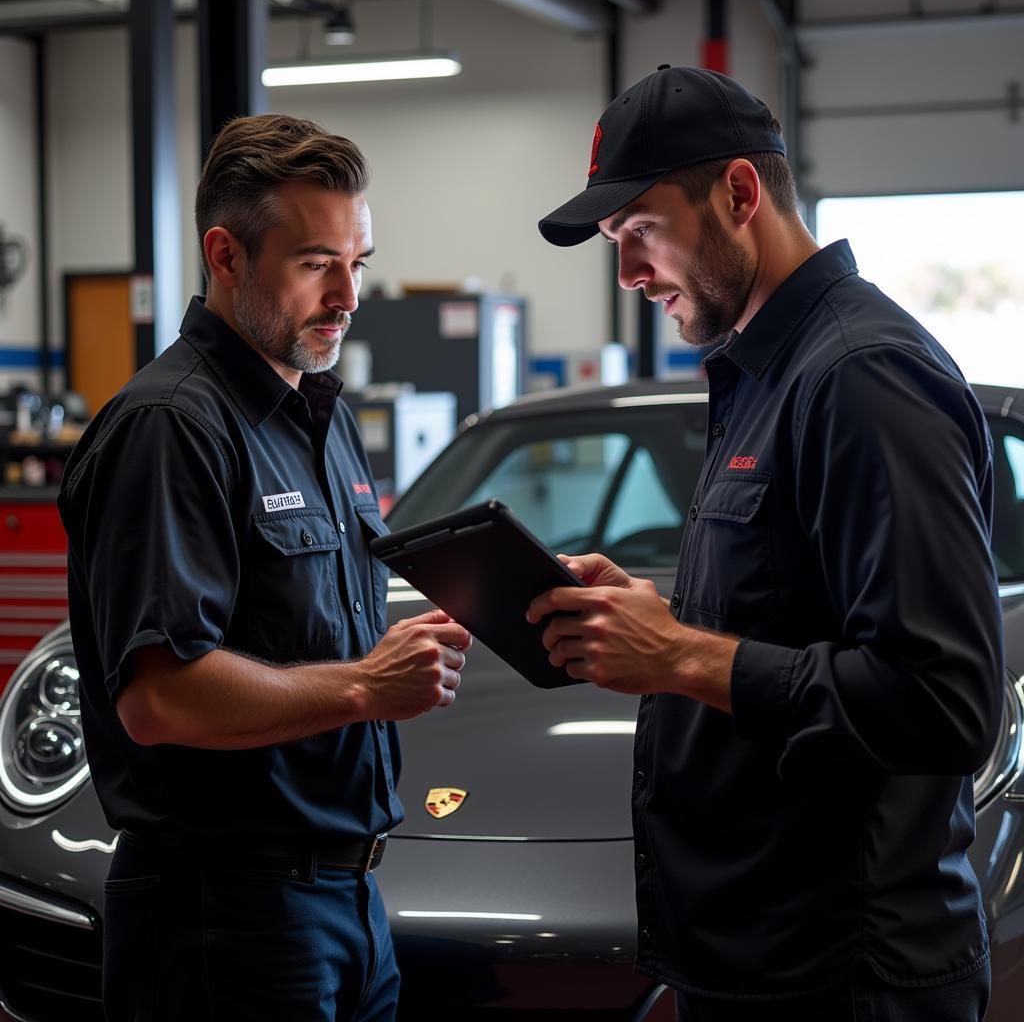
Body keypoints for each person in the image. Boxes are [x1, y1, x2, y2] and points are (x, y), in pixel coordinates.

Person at [529, 65, 1003, 1021]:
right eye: (617, 244)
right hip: (762, 958)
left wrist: (680, 655)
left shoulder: (862, 377)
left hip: (845, 976)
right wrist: (666, 614)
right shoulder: (761, 372)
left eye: (640, 232)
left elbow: (945, 701)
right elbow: (793, 613)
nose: (627, 274)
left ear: (740, 194)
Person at [57, 114, 471, 1022]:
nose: (349, 295)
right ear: (226, 255)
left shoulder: (319, 418)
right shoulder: (170, 427)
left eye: (358, 262)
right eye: (317, 263)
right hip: (225, 915)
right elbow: (159, 697)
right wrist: (366, 685)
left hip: (347, 902)